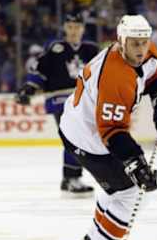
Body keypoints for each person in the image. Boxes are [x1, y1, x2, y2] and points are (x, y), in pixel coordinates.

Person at [59, 15, 157, 240]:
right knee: (134, 192)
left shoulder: (147, 52)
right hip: (87, 137)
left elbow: (155, 74)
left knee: (118, 189)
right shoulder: (115, 76)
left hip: (83, 127)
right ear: (121, 41)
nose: (140, 50)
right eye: (134, 44)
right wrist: (136, 161)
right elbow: (112, 132)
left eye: (144, 43)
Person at [16, 12, 99, 197]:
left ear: (83, 29)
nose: (73, 31)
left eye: (77, 27)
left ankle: (70, 178)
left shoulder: (92, 50)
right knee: (74, 137)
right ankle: (71, 178)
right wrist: (29, 87)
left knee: (80, 139)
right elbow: (39, 69)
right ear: (64, 28)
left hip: (83, 102)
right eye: (70, 27)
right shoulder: (55, 48)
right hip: (60, 101)